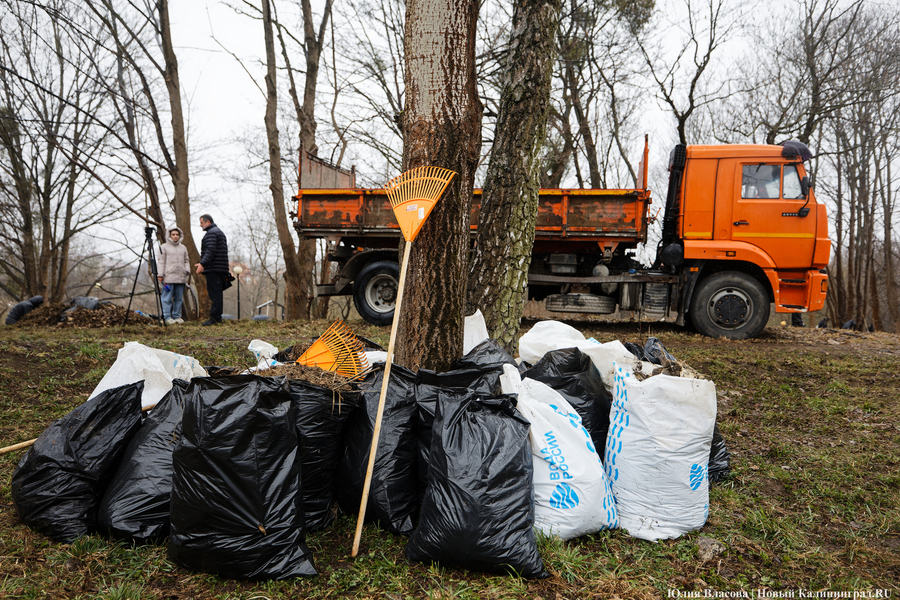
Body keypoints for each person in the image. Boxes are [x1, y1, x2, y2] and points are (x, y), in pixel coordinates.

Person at [195, 214, 229, 325]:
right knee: (217, 294)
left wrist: (202, 264)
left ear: (208, 222)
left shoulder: (211, 234)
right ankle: (216, 318)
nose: (200, 225)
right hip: (220, 268)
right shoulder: (218, 232)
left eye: (202, 223)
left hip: (214, 269)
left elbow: (210, 250)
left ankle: (214, 319)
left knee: (215, 295)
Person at [158, 226, 191, 325]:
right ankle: (167, 317)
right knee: (166, 299)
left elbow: (186, 260)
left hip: (181, 277)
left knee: (179, 299)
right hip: (168, 277)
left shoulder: (183, 248)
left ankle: (177, 317)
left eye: (177, 234)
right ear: (169, 235)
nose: (175, 236)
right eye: (173, 234)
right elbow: (161, 262)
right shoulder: (164, 247)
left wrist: (187, 270)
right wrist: (160, 274)